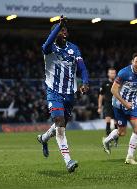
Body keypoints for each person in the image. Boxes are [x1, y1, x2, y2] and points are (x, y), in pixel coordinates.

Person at [36, 16, 89, 173]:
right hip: (54, 92)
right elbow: (46, 45)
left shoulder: (74, 48)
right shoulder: (49, 48)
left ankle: (44, 138)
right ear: (55, 33)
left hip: (70, 94)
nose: (64, 32)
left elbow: (82, 68)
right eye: (61, 31)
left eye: (65, 30)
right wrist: (58, 26)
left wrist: (85, 82)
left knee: (61, 124)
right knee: (60, 125)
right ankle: (68, 161)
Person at [102, 53, 137, 165]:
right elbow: (113, 90)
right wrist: (125, 103)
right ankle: (106, 141)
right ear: (132, 62)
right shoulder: (123, 72)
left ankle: (130, 157)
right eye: (136, 62)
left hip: (134, 105)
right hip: (119, 105)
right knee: (122, 132)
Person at [98, 68, 118, 145]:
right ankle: (108, 139)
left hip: (116, 104)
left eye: (114, 73)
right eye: (111, 73)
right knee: (108, 120)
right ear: (108, 74)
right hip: (107, 104)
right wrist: (99, 107)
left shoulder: (118, 83)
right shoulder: (104, 83)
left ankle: (116, 139)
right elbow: (101, 95)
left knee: (116, 122)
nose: (112, 74)